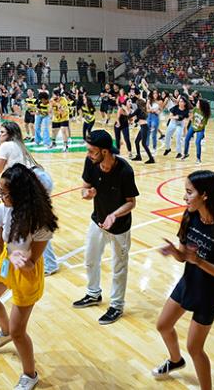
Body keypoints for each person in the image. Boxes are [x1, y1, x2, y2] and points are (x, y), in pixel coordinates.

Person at [0, 164, 58, 390]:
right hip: (7, 262)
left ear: (20, 194)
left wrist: (23, 262)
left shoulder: (41, 222)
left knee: (19, 332)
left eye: (4, 192)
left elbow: (32, 263)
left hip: (27, 273)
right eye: (0, 189)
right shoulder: (2, 210)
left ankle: (30, 374)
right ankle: (4, 331)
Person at [153, 170, 214, 389]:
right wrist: (175, 253)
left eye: (189, 192)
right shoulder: (190, 215)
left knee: (195, 348)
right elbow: (184, 256)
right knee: (163, 325)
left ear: (204, 195)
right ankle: (176, 361)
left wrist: (199, 262)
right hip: (189, 282)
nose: (184, 197)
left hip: (210, 293)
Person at [73, 130, 139, 325]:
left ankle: (117, 306)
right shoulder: (91, 163)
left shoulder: (124, 171)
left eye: (92, 151)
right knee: (90, 259)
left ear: (105, 151)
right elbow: (84, 188)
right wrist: (87, 194)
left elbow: (131, 203)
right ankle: (93, 293)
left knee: (119, 267)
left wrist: (114, 215)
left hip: (119, 227)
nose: (88, 154)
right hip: (98, 220)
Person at [0, 121, 60, 275]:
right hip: (39, 179)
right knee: (37, 222)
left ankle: (48, 264)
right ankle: (44, 260)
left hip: (30, 184)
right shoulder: (18, 144)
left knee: (34, 223)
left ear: (9, 134)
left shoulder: (6, 146)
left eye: (2, 132)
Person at [182, 98, 210, 164]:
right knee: (186, 139)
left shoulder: (205, 114)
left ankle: (198, 158)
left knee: (197, 142)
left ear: (201, 105)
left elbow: (202, 125)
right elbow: (191, 116)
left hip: (200, 129)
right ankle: (185, 154)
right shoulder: (195, 109)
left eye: (198, 103)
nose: (197, 104)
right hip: (193, 126)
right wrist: (188, 120)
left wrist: (198, 123)